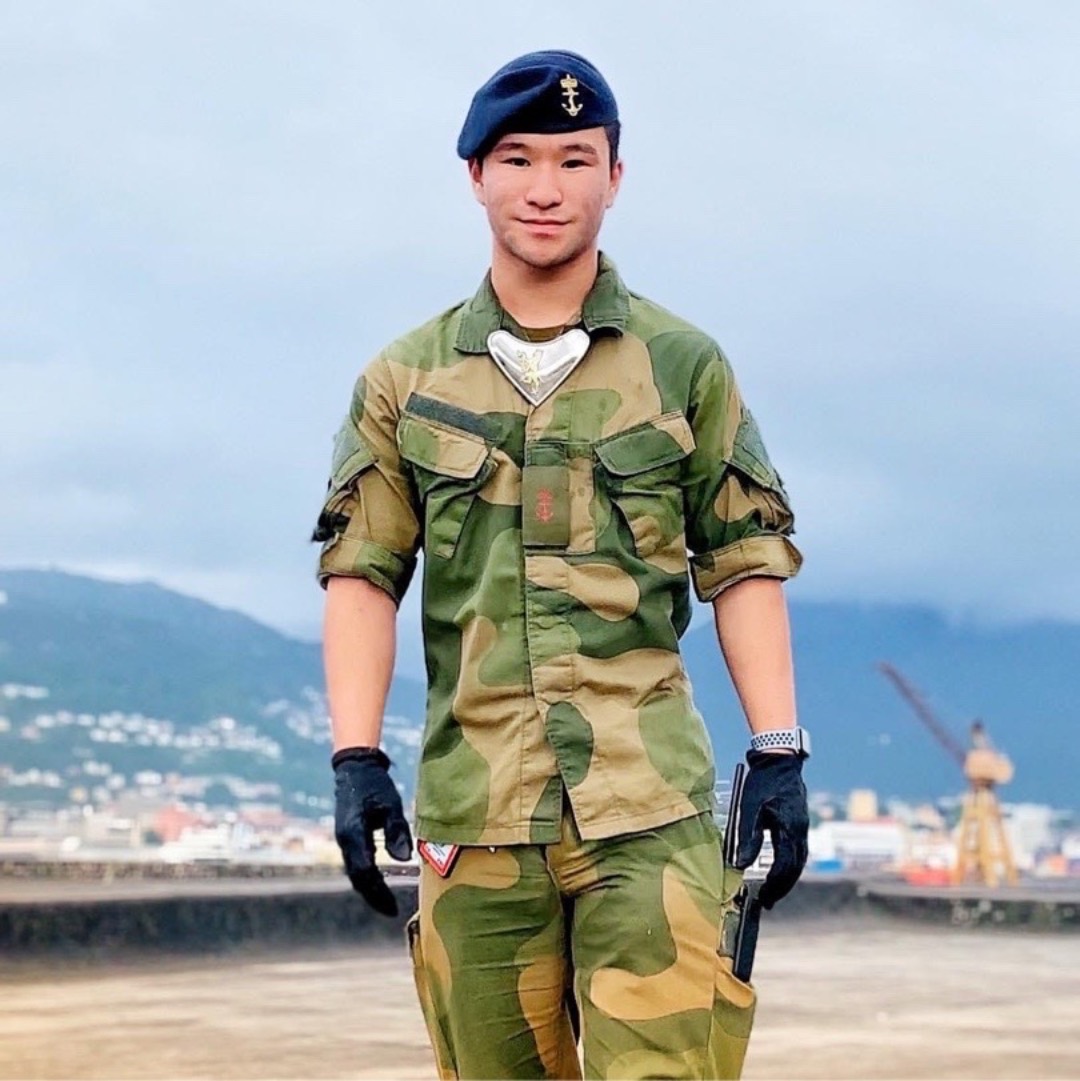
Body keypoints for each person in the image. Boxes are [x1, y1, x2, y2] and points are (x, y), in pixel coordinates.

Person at [315, 49, 810, 1081]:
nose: (546, 188)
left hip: (649, 809)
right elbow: (364, 572)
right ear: (475, 175)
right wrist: (354, 758)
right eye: (519, 159)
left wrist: (778, 749)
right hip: (478, 815)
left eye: (575, 160)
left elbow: (742, 560)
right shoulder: (404, 381)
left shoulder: (682, 365)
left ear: (615, 178)